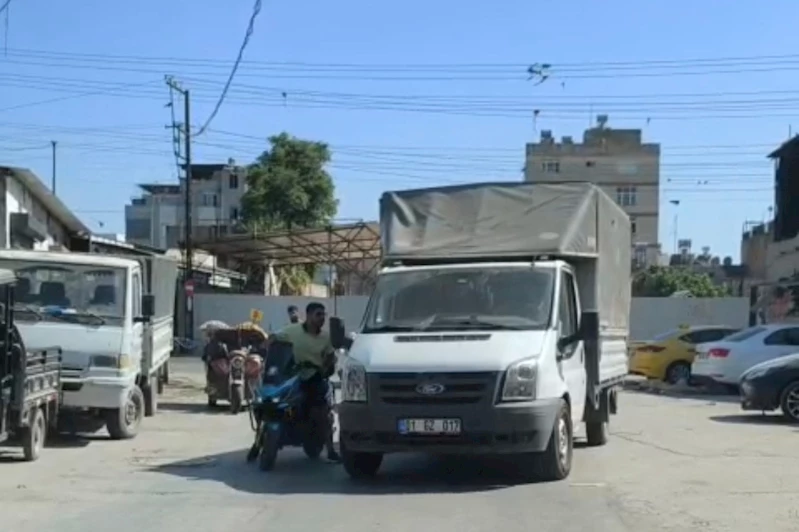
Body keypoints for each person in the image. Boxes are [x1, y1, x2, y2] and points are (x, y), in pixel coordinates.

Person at [272, 302, 340, 462]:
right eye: (318, 314)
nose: (322, 318)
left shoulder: (326, 337)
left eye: (323, 315)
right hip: (290, 376)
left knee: (322, 412)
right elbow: (273, 338)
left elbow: (330, 356)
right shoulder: (292, 330)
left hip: (313, 377)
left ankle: (331, 450)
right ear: (308, 316)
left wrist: (325, 367)